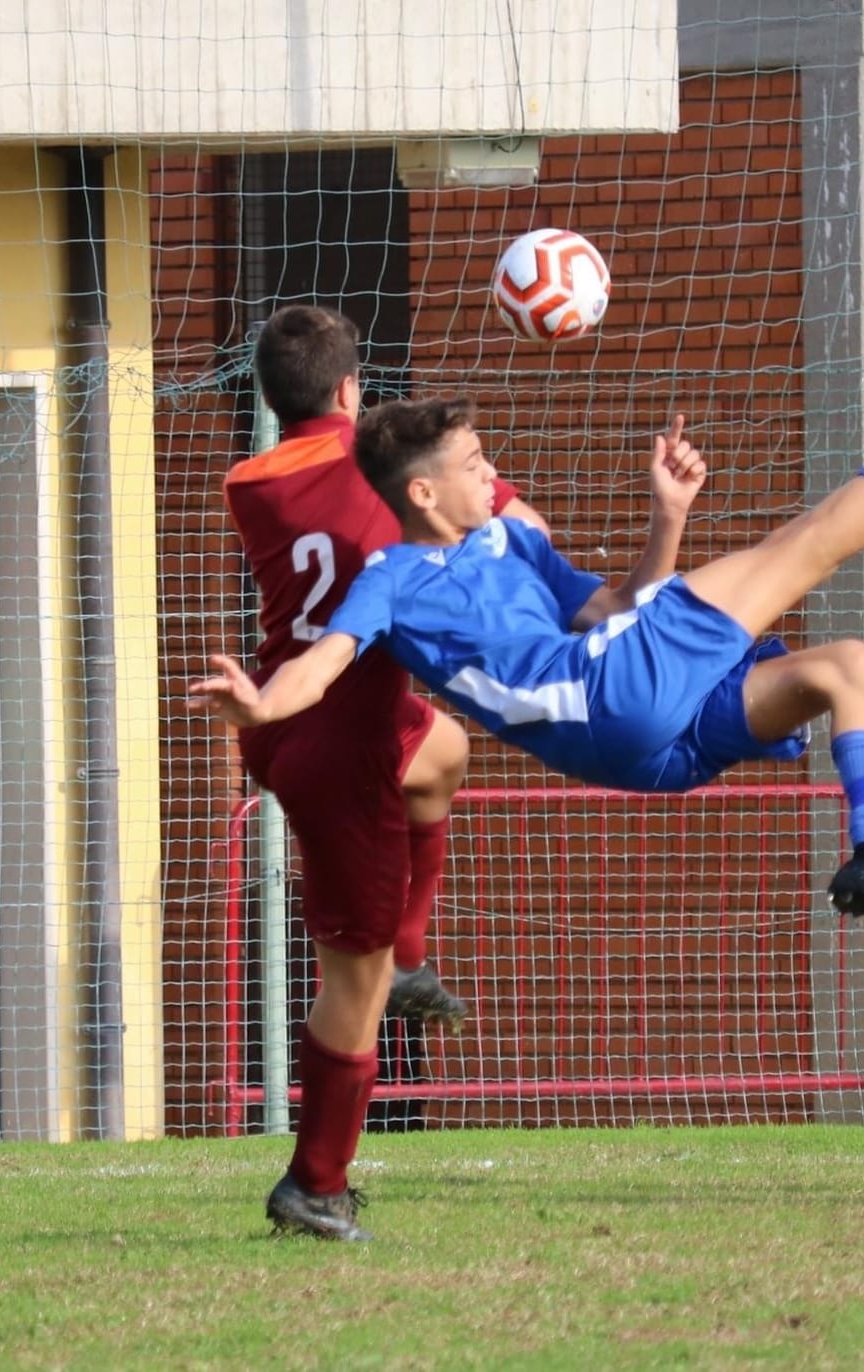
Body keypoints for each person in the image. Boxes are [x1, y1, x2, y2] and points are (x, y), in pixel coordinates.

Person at [196, 319, 864, 931]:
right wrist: (264, 705)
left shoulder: (511, 540)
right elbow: (325, 660)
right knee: (815, 539)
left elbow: (616, 607)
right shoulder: (391, 578)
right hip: (605, 692)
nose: (489, 471)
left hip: (638, 748)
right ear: (421, 493)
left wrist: (668, 516)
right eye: (472, 464)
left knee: (851, 669)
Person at [224, 304, 553, 1241]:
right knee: (350, 988)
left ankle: (412, 952)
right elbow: (486, 512)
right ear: (349, 390)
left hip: (297, 713)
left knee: (442, 752)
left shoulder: (250, 481)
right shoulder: (376, 465)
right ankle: (315, 1183)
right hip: (341, 739)